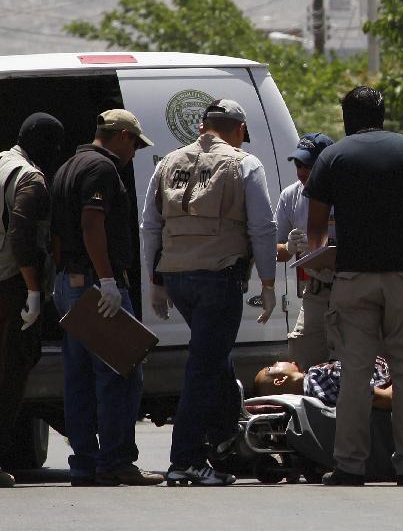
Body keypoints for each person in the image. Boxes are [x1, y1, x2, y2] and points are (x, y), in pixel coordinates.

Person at [305, 86, 403, 486]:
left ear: (347, 115)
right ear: (382, 113)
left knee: (355, 373)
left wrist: (323, 264)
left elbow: (315, 227)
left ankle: (349, 466)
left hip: (353, 279)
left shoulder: (333, 156)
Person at [141, 98, 277, 486]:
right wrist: (267, 283)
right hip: (219, 278)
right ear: (238, 130)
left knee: (215, 358)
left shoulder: (167, 163)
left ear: (203, 126)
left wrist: (156, 281)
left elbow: (149, 226)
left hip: (178, 277)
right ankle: (185, 459)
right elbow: (263, 227)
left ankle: (223, 443)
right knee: (204, 366)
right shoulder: (244, 163)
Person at [52, 109, 163, 487]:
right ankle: (115, 461)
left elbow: (57, 232)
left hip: (71, 282)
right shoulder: (102, 169)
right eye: (135, 145)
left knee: (79, 378)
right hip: (97, 287)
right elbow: (91, 223)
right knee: (121, 371)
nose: (134, 154)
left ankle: (84, 463)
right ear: (124, 137)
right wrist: (108, 279)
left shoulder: (69, 164)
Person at [0, 113, 64, 488]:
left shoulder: (3, 162)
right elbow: (23, 237)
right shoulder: (30, 179)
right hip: (10, 285)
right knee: (9, 375)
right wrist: (35, 292)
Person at [275, 133, 334, 370]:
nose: (301, 171)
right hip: (316, 291)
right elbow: (276, 251)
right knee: (303, 357)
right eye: (298, 164)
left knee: (351, 359)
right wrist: (288, 247)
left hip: (349, 287)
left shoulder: (346, 191)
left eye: (309, 166)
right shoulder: (291, 195)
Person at [254, 357, 393, 410]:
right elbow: (386, 398)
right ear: (280, 381)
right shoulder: (321, 380)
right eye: (272, 366)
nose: (278, 361)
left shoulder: (314, 388)